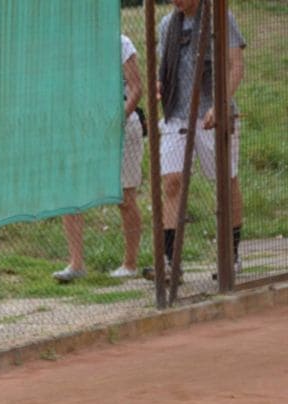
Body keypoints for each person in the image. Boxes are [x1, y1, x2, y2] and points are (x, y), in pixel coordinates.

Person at [155, 0, 247, 277]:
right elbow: (166, 66)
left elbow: (235, 65)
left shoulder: (220, 18)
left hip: (212, 112)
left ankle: (231, 255)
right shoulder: (167, 25)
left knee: (225, 181)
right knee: (171, 181)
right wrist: (161, 85)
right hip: (177, 114)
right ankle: (170, 262)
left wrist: (220, 103)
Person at [53, 34, 146, 283]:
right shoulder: (69, 45)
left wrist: (118, 119)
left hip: (122, 128)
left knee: (125, 198)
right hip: (83, 128)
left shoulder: (119, 42)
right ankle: (76, 264)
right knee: (71, 195)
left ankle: (130, 263)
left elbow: (137, 88)